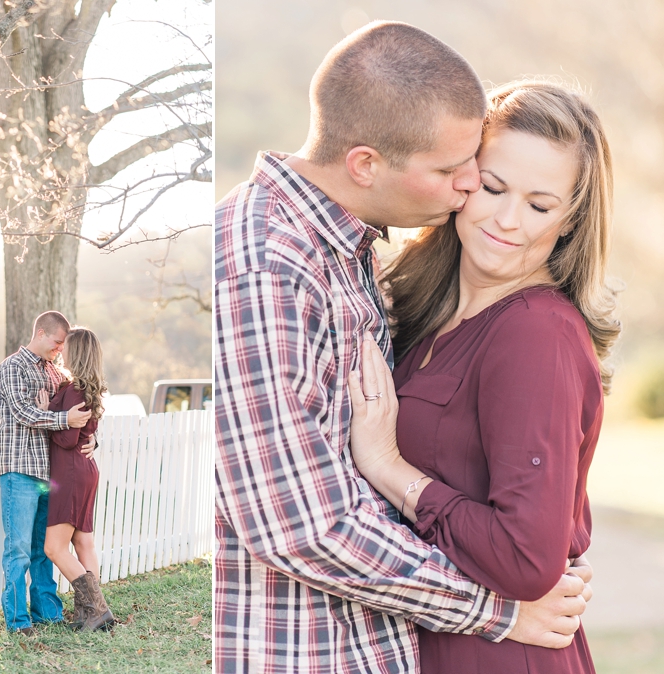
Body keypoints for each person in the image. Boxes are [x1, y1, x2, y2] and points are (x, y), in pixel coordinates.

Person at [214, 21, 591, 674]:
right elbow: (302, 527)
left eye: (536, 203)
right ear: (366, 164)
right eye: (455, 171)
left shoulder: (348, 251)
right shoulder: (268, 268)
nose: (469, 188)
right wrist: (497, 611)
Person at [348, 81, 618, 674]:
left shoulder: (535, 333)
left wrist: (390, 468)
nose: (506, 219)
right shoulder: (424, 316)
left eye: (540, 205)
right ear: (460, 180)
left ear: (571, 221)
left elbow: (526, 558)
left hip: (499, 654)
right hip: (435, 637)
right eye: (492, 188)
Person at [0, 310, 93, 634]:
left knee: (43, 549)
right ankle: (18, 622)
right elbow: (24, 412)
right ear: (41, 334)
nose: (60, 350)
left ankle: (48, 613)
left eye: (63, 346)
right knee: (18, 550)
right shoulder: (12, 367)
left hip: (48, 474)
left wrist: (90, 436)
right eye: (57, 342)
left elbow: (76, 412)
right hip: (19, 469)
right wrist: (63, 418)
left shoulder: (56, 373)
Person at [41, 326, 116, 632]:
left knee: (54, 549)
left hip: (71, 472)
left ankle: (96, 610)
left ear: (77, 352)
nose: (62, 350)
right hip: (84, 470)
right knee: (83, 542)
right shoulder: (86, 388)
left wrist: (46, 415)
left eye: (67, 346)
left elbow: (69, 439)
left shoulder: (73, 390)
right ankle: (92, 614)